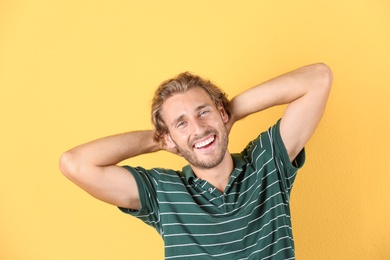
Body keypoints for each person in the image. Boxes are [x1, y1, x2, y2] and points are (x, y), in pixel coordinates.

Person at [59, 63, 332, 259]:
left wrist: (231, 115)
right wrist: (160, 140)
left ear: (221, 113)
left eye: (204, 112)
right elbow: (75, 163)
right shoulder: (162, 192)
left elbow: (318, 78)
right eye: (182, 123)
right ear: (168, 137)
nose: (199, 129)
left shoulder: (267, 162)